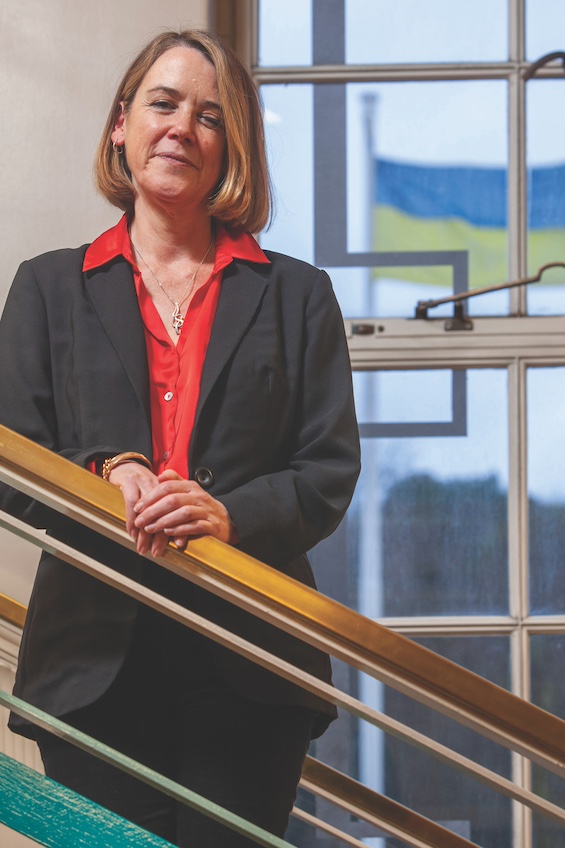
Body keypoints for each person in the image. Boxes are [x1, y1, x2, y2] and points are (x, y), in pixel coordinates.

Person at [0, 28, 360, 847]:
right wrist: (103, 473)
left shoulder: (299, 296)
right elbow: (9, 454)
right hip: (89, 661)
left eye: (210, 116)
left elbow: (326, 472)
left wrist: (227, 515)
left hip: (248, 662)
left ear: (231, 148)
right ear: (120, 125)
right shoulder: (47, 288)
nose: (180, 128)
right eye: (162, 104)